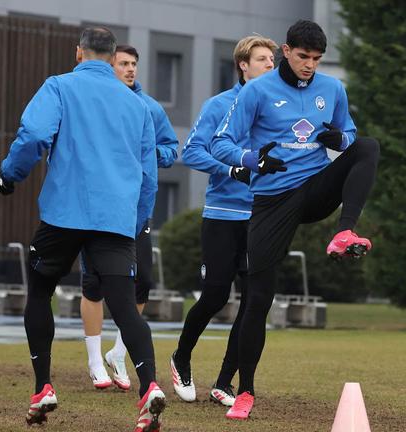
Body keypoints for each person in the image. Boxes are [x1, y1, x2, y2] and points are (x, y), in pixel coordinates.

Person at [0, 27, 166, 432]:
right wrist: (136, 221)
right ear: (111, 59)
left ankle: (43, 388)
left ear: (78, 53)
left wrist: (9, 174)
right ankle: (150, 387)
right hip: (116, 221)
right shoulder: (136, 104)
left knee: (40, 292)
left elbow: (35, 134)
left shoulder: (58, 86)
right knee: (123, 306)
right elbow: (149, 175)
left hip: (64, 216)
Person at [207, 20, 380, 420]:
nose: (310, 65)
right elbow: (220, 143)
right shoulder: (257, 91)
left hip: (315, 189)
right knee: (258, 299)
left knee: (369, 147)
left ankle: (344, 231)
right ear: (286, 50)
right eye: (303, 57)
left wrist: (339, 140)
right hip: (272, 199)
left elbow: (350, 136)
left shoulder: (332, 89)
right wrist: (252, 160)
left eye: (317, 59)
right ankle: (245, 391)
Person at [169, 35, 278, 408]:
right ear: (242, 66)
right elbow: (193, 151)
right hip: (222, 216)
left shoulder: (280, 109)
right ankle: (181, 358)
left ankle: (224, 382)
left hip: (263, 218)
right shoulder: (219, 105)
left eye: (272, 60)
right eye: (262, 58)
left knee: (252, 305)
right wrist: (232, 169)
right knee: (215, 295)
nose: (269, 64)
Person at [79, 44, 179, 392]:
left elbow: (171, 149)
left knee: (144, 282)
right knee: (93, 284)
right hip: (97, 209)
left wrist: (149, 149)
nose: (131, 69)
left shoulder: (148, 107)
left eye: (134, 63)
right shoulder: (95, 102)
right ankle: (94, 361)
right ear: (109, 65)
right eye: (124, 63)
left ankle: (118, 352)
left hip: (136, 211)